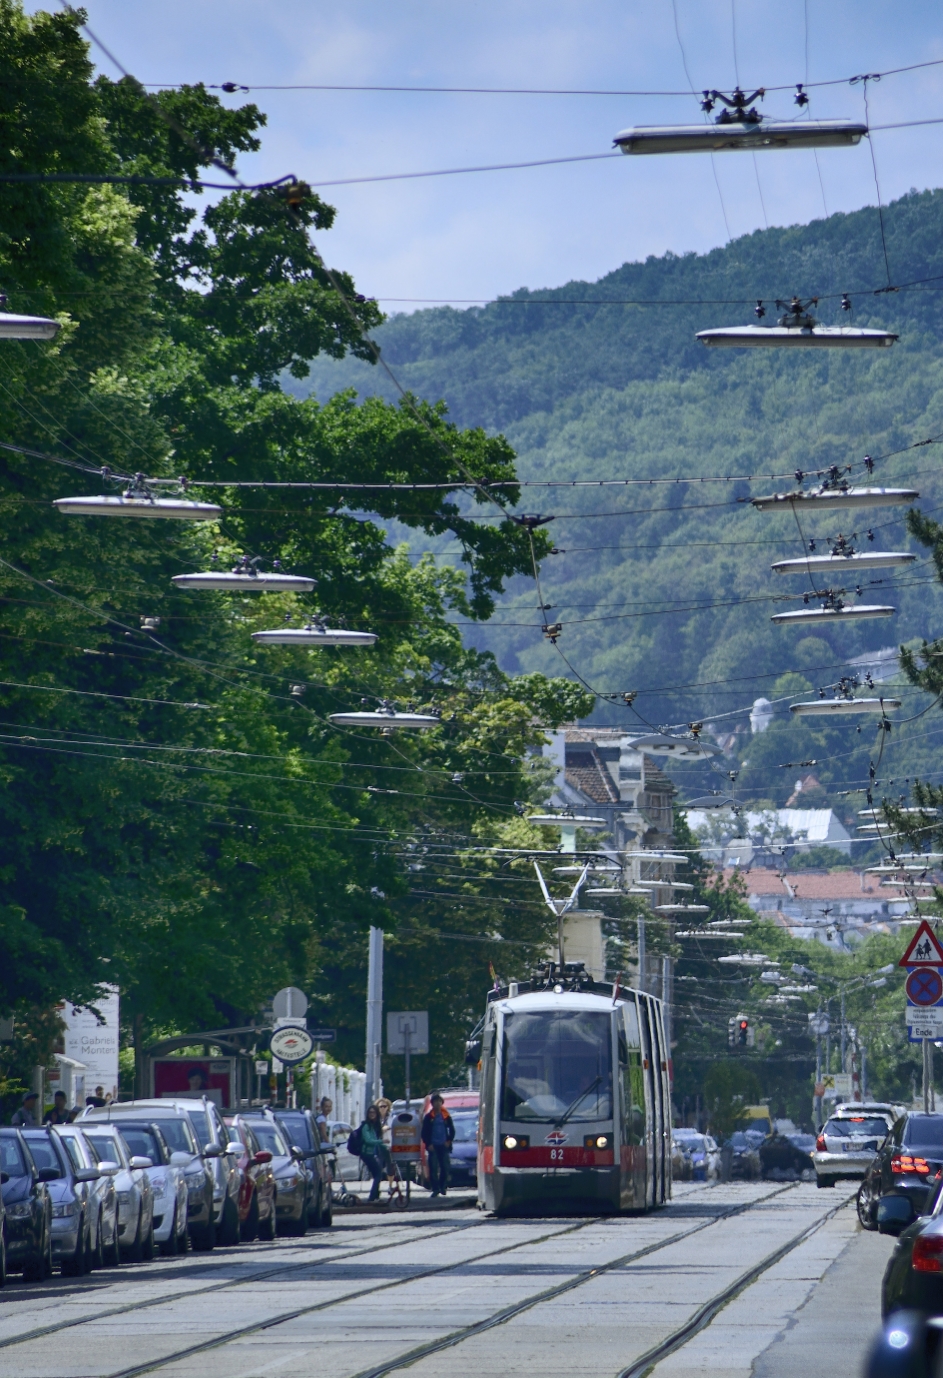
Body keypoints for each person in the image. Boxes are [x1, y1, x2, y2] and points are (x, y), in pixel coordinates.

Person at [357, 1103, 395, 1202]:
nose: (372, 1114)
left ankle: (376, 1195)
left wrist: (386, 1147)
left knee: (377, 1173)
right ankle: (372, 1197)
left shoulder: (375, 1126)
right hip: (366, 1154)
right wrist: (382, 1142)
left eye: (374, 1112)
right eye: (370, 1112)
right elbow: (368, 1140)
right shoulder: (366, 1126)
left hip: (371, 1153)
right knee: (378, 1173)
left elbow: (376, 1140)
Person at [421, 1093, 455, 1198]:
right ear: (432, 1104)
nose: (437, 1104)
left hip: (444, 1145)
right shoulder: (428, 1117)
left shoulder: (446, 1116)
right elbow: (424, 1133)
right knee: (433, 1168)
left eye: (439, 1102)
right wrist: (428, 1144)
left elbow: (452, 1130)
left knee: (445, 1167)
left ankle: (443, 1186)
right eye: (435, 1102)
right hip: (433, 1146)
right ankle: (435, 1188)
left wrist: (449, 1141)